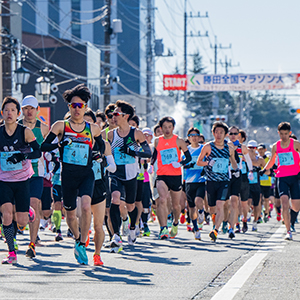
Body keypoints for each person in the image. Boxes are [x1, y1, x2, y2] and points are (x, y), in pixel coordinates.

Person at [41, 84, 105, 265]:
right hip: (67, 175)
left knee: (85, 206)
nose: (77, 109)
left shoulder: (93, 128)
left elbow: (100, 146)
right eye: (74, 105)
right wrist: (59, 145)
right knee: (70, 215)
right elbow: (44, 146)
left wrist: (97, 154)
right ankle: (77, 239)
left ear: (85, 107)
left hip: (86, 173)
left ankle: (83, 243)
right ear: (69, 107)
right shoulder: (61, 126)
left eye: (81, 105)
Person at [0, 96, 41, 264]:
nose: (9, 113)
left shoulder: (25, 131)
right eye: (6, 110)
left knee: (22, 221)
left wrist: (22, 155)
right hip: (3, 180)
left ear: (18, 114)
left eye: (13, 110)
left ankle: (28, 212)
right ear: (2, 113)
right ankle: (11, 253)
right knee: (7, 215)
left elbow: (37, 152)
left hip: (23, 179)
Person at [107, 100, 152, 251]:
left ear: (125, 116)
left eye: (116, 114)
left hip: (132, 174)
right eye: (112, 114)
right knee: (115, 199)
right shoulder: (111, 134)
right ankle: (116, 235)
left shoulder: (136, 133)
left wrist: (132, 152)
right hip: (115, 173)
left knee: (131, 206)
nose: (113, 117)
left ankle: (133, 226)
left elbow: (148, 152)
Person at [83, 109, 116, 266]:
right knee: (80, 216)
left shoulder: (104, 144)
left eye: (90, 123)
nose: (87, 126)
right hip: (80, 183)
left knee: (98, 224)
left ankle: (97, 254)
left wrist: (102, 163)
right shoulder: (74, 142)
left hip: (98, 184)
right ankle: (83, 235)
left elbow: (113, 167)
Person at [197, 121, 238, 242]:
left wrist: (236, 170)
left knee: (221, 205)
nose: (218, 134)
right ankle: (216, 223)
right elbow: (199, 162)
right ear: (213, 133)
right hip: (210, 181)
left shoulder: (229, 148)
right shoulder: (208, 147)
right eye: (216, 132)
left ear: (225, 134)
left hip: (224, 181)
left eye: (221, 132)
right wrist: (207, 163)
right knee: (212, 208)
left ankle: (215, 229)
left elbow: (233, 161)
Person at [151, 116, 191, 239]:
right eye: (164, 127)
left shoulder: (179, 141)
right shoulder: (157, 141)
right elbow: (154, 155)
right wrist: (151, 165)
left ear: (173, 127)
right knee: (162, 200)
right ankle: (163, 228)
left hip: (175, 175)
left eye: (169, 127)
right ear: (161, 128)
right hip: (162, 175)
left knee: (175, 205)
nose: (167, 130)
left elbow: (188, 158)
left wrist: (180, 163)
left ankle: (175, 223)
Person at [19, 95, 49, 258]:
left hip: (37, 172)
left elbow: (51, 148)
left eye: (32, 108)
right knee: (18, 209)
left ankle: (32, 243)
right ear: (22, 111)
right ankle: (18, 228)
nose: (29, 111)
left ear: (38, 110)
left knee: (34, 204)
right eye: (26, 108)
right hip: (16, 172)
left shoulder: (43, 128)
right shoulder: (14, 127)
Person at [261, 122, 300, 240]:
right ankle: (288, 231)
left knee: (296, 207)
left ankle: (290, 212)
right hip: (282, 177)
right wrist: (264, 169)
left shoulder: (296, 144)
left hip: (295, 177)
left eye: (286, 134)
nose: (283, 136)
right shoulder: (276, 146)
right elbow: (272, 160)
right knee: (284, 203)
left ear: (290, 133)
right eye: (281, 134)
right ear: (278, 133)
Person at [184, 127, 206, 240]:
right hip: (188, 181)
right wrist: (187, 165)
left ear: (199, 137)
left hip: (201, 180)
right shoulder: (185, 150)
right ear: (188, 138)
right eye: (191, 135)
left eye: (196, 135)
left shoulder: (204, 149)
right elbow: (181, 163)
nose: (194, 137)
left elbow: (208, 161)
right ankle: (196, 228)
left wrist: (204, 167)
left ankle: (201, 211)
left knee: (198, 201)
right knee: (191, 208)